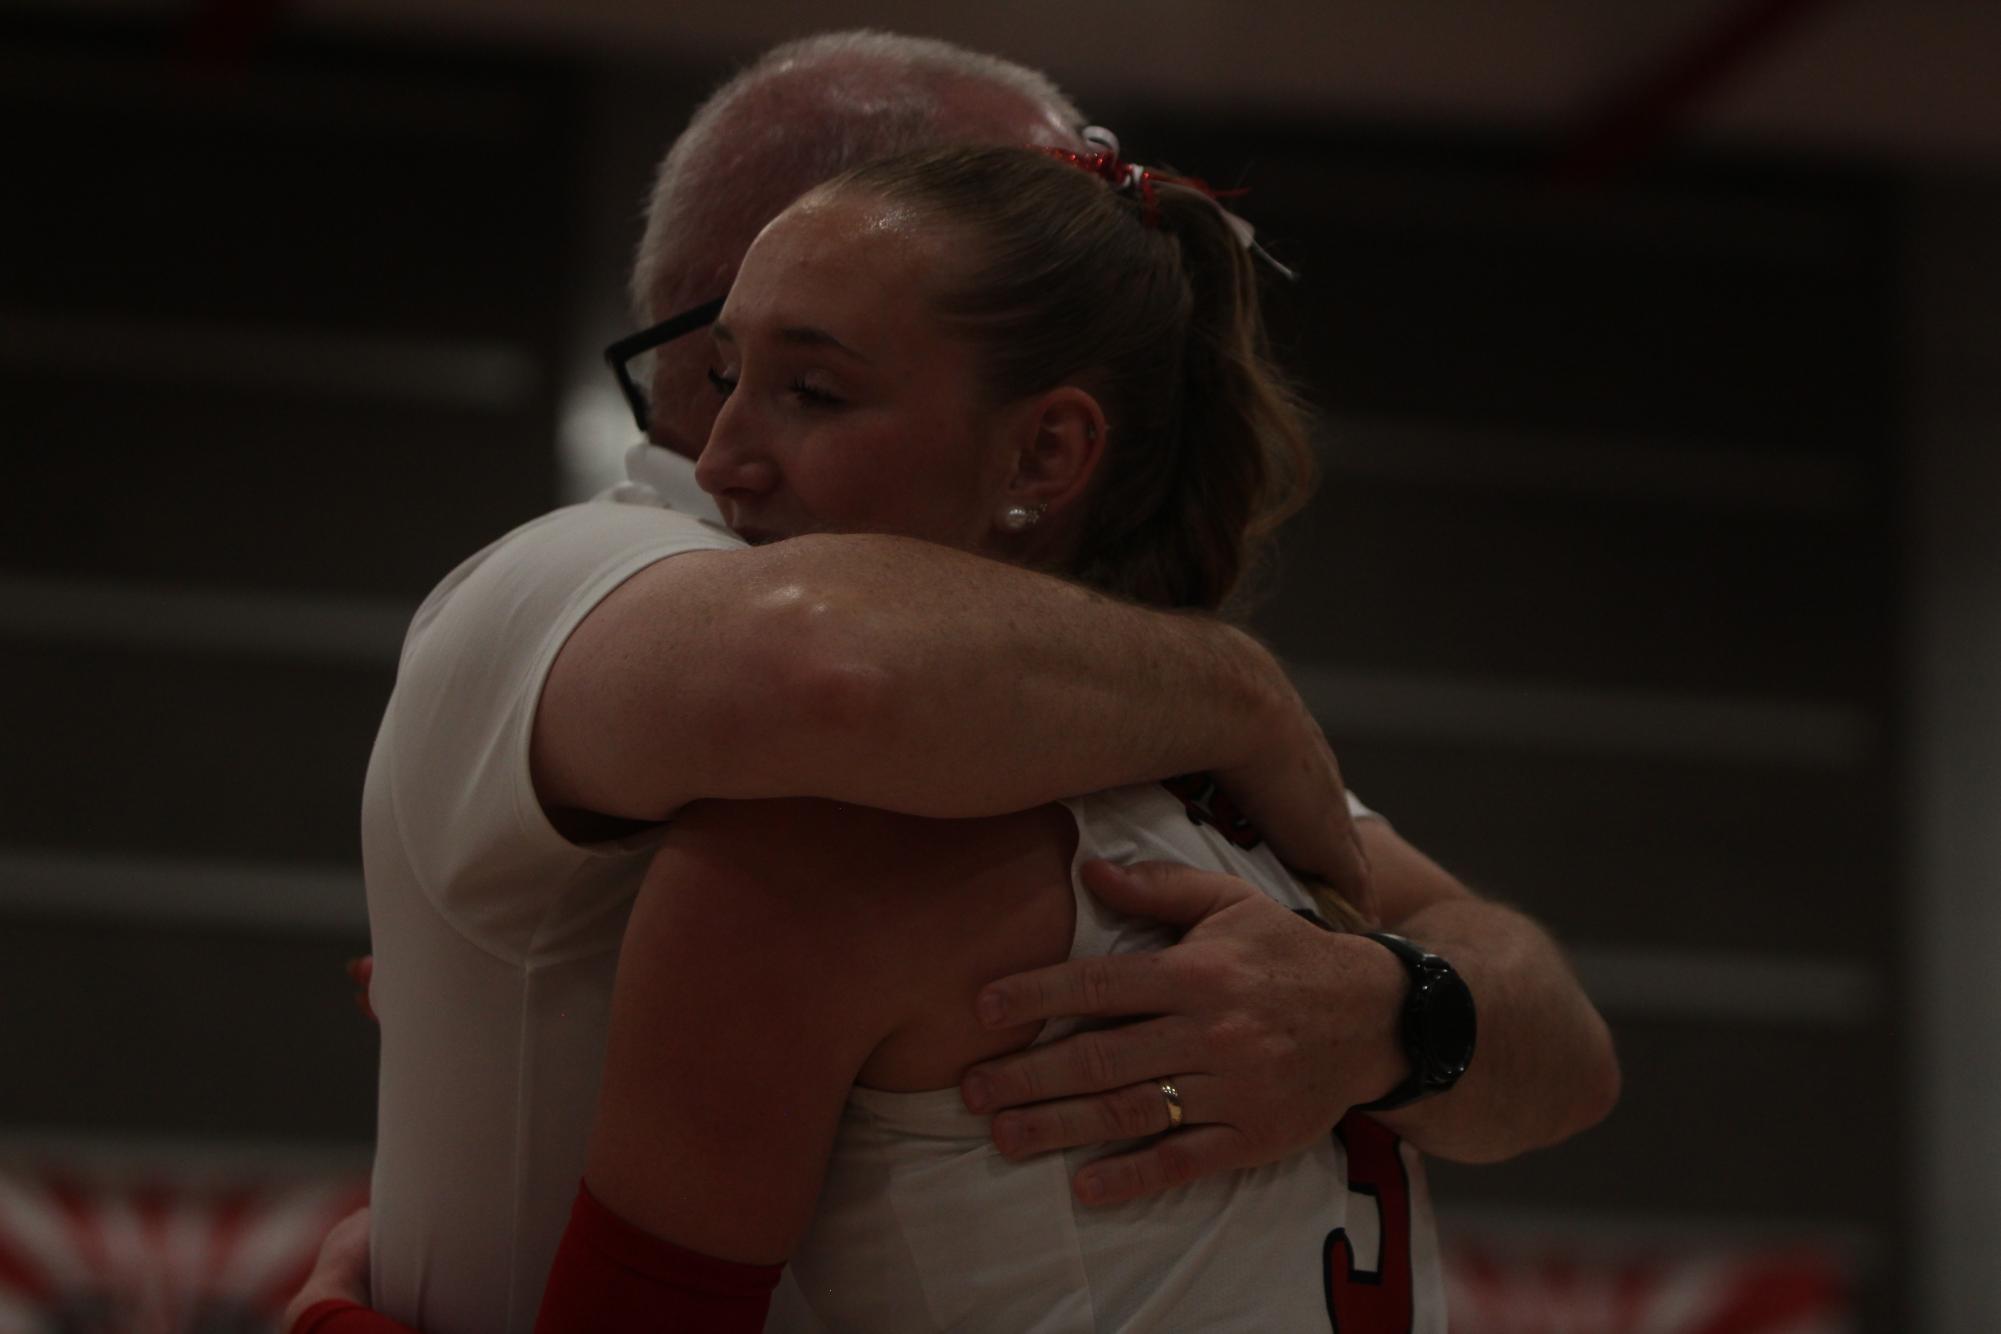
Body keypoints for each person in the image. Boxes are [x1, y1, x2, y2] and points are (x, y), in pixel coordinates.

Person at [288, 30, 1616, 1334]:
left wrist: (1392, 1012)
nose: (736, 451)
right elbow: (830, 668)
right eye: (747, 374)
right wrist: (1240, 689)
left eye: (810, 385)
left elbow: (1559, 1041)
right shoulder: (607, 572)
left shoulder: (1044, 737)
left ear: (1050, 445)